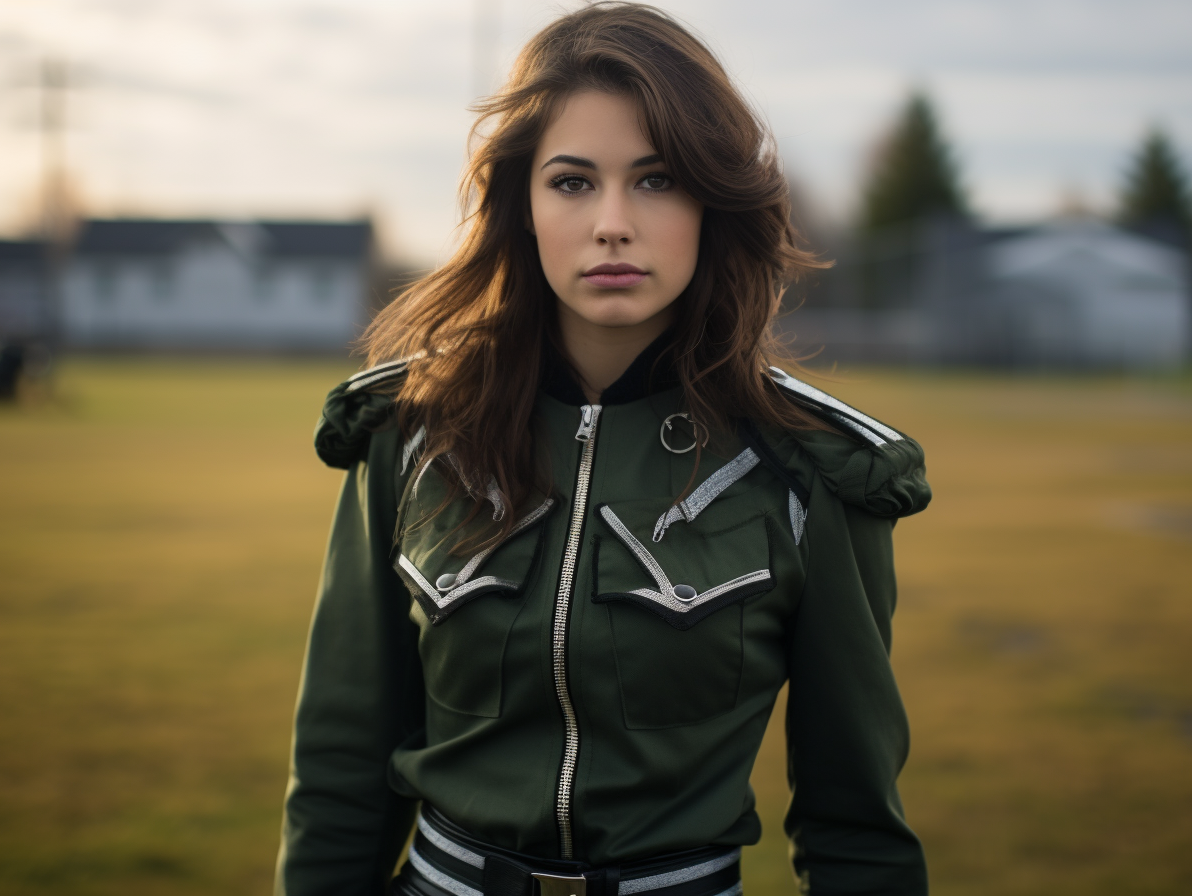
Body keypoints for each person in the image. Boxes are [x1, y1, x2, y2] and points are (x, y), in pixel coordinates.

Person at [276, 4, 931, 895]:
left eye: (656, 181)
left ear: (711, 201)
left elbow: (856, 827)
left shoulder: (814, 472)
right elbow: (342, 768)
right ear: (523, 204)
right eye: (574, 182)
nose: (612, 223)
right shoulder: (411, 433)